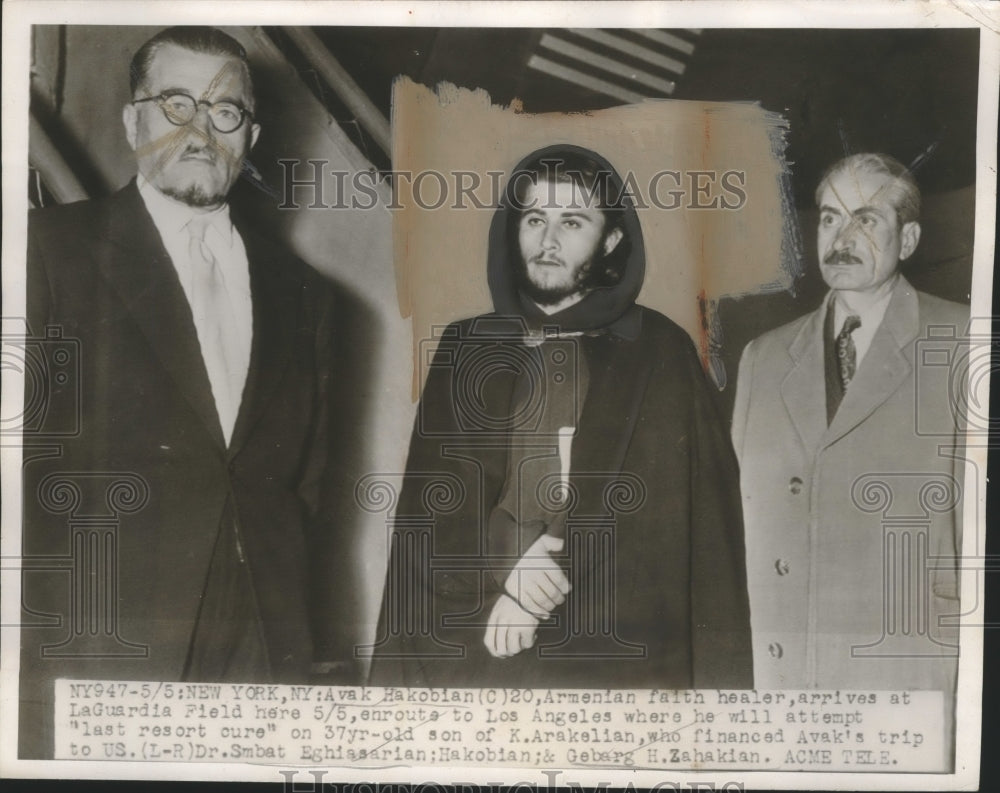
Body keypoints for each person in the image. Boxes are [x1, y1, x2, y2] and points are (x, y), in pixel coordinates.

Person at [20, 27, 338, 757]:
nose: (200, 129)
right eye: (175, 104)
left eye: (224, 110)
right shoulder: (44, 251)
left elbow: (308, 487)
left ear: (250, 135)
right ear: (133, 122)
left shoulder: (311, 295)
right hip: (100, 644)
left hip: (263, 649)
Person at [369, 144, 752, 688]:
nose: (548, 241)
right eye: (534, 219)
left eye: (572, 221)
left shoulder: (658, 350)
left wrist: (549, 576)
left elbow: (680, 528)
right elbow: (430, 512)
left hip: (610, 651)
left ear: (611, 240)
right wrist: (509, 568)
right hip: (477, 648)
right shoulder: (467, 346)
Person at [731, 153, 966, 701]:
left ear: (907, 240)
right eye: (831, 217)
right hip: (784, 671)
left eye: (866, 218)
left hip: (908, 667)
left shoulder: (963, 343)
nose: (843, 235)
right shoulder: (763, 358)